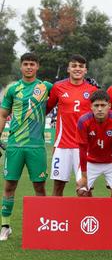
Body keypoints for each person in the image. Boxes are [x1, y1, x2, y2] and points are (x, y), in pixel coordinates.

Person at [0, 53, 52, 241]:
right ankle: (5, 226)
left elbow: (64, 95)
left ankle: (43, 225)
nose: (29, 67)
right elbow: (3, 114)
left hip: (36, 146)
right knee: (9, 185)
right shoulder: (13, 89)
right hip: (14, 145)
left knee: (39, 186)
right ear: (21, 67)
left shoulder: (45, 87)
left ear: (38, 66)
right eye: (26, 64)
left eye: (32, 64)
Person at [47, 54, 98, 196]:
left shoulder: (92, 90)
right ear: (68, 69)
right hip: (62, 146)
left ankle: (86, 218)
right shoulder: (58, 87)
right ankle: (56, 218)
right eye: (74, 66)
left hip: (84, 146)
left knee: (85, 189)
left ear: (85, 70)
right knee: (58, 187)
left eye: (81, 66)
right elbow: (46, 109)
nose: (77, 69)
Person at [76, 90, 112, 197]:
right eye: (96, 105)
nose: (99, 109)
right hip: (90, 162)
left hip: (111, 162)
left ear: (109, 106)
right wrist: (84, 176)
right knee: (82, 191)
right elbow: (82, 150)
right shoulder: (83, 121)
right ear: (91, 106)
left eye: (103, 105)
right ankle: (90, 214)